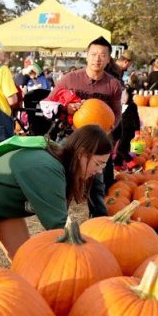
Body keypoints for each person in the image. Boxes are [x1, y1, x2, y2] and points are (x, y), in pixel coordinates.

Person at [0, 125, 112, 266]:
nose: (99, 171)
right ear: (81, 154)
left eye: (103, 165)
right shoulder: (47, 169)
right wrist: (89, 259)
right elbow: (59, 227)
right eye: (98, 163)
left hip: (4, 205)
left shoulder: (61, 160)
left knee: (25, 261)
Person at [47, 36, 122, 218]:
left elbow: (116, 114)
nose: (97, 58)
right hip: (70, 136)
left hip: (96, 141)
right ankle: (57, 218)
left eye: (103, 55)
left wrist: (107, 132)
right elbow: (49, 104)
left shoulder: (113, 85)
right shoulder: (69, 79)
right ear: (86, 56)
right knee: (61, 176)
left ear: (108, 59)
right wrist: (65, 107)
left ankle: (99, 220)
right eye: (94, 54)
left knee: (96, 182)